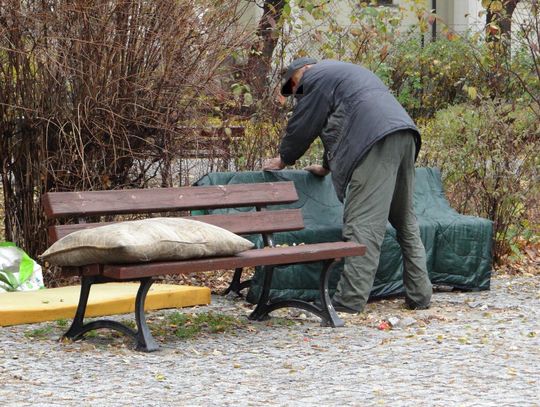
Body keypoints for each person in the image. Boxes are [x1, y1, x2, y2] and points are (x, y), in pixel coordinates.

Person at [263, 58, 432, 313]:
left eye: (293, 84)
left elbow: (305, 123)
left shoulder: (314, 77)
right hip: (404, 134)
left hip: (374, 142)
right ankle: (420, 295)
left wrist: (284, 158)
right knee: (405, 220)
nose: (296, 92)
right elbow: (341, 125)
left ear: (304, 70)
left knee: (363, 227)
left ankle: (349, 301)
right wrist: (326, 167)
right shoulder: (341, 74)